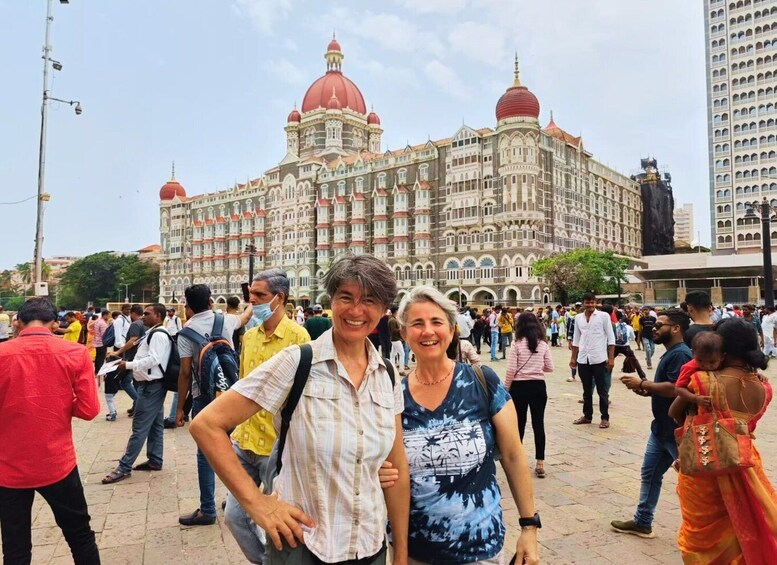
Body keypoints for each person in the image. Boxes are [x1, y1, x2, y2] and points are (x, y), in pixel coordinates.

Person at [189, 255, 410, 564]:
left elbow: (397, 467)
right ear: (332, 300)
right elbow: (207, 424)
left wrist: (400, 552)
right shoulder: (298, 362)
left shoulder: (386, 374)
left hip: (369, 547)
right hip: (306, 546)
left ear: (384, 309)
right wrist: (257, 504)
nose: (357, 310)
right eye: (346, 297)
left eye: (370, 300)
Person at [382, 286, 540, 564]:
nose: (427, 331)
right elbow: (384, 463)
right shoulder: (393, 395)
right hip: (414, 552)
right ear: (404, 333)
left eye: (436, 322)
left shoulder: (483, 381)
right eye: (417, 324)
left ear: (453, 329)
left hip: (479, 550)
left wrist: (529, 527)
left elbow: (514, 457)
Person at [0, 298, 101, 564]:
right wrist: (59, 402)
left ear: (18, 322)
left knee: (15, 546)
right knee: (80, 535)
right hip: (57, 463)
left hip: (9, 466)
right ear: (55, 323)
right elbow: (89, 410)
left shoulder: (2, 354)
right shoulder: (74, 353)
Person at [668, 318, 777, 563]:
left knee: (701, 539)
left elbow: (675, 413)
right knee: (744, 533)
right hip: (745, 462)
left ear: (722, 348)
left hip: (705, 468)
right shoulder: (765, 388)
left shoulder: (701, 381)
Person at [220, 269, 310, 562]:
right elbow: (244, 383)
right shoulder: (250, 336)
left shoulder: (299, 338)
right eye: (250, 295)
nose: (252, 301)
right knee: (235, 516)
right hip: (244, 440)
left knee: (278, 522)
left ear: (279, 298)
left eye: (259, 296)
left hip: (275, 447)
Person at [175, 284, 252, 526]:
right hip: (232, 394)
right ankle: (235, 501)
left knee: (206, 453)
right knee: (235, 449)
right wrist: (249, 298)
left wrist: (180, 409)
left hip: (204, 400)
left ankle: (207, 509)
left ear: (188, 307)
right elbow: (246, 315)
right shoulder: (226, 320)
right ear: (211, 302)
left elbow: (186, 373)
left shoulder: (186, 332)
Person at [614, 308, 692, 539]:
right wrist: (647, 390)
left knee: (694, 481)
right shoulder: (671, 353)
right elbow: (666, 388)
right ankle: (643, 521)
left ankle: (709, 529)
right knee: (650, 473)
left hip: (676, 430)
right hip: (661, 429)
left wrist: (645, 384)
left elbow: (677, 388)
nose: (654, 329)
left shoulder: (680, 354)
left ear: (676, 329)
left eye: (660, 325)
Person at [102, 304, 172, 484]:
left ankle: (124, 467)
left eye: (147, 314)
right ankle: (155, 459)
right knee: (156, 425)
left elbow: (154, 359)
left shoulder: (158, 335)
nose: (143, 317)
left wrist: (129, 365)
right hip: (150, 385)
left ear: (158, 316)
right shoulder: (152, 332)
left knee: (139, 428)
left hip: (151, 386)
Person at [505, 312, 554, 478]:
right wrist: (536, 368)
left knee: (519, 424)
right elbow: (550, 367)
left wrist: (506, 388)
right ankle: (540, 462)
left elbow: (511, 369)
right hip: (539, 386)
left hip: (519, 387)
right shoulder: (543, 344)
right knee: (538, 424)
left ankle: (518, 462)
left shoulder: (517, 344)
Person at [571, 292, 615, 428]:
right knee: (586, 389)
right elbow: (576, 339)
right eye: (587, 302)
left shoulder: (603, 316)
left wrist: (611, 358)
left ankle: (604, 417)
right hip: (583, 358)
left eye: (592, 302)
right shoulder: (578, 318)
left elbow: (611, 339)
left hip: (599, 358)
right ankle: (587, 415)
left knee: (602, 390)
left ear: (595, 303)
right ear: (583, 303)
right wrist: (573, 357)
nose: (590, 305)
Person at [92, 309, 111, 376]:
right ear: (105, 315)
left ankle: (97, 371)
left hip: (97, 342)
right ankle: (99, 371)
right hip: (101, 343)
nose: (109, 318)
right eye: (108, 316)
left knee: (98, 357)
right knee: (101, 358)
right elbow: (104, 334)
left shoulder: (97, 321)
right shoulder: (103, 324)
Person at [388, 305, 405, 371]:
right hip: (396, 339)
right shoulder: (393, 320)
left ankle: (392, 368)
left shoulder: (392, 319)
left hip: (394, 339)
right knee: (402, 354)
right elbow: (393, 331)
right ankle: (401, 369)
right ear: (396, 311)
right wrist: (400, 329)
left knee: (393, 354)